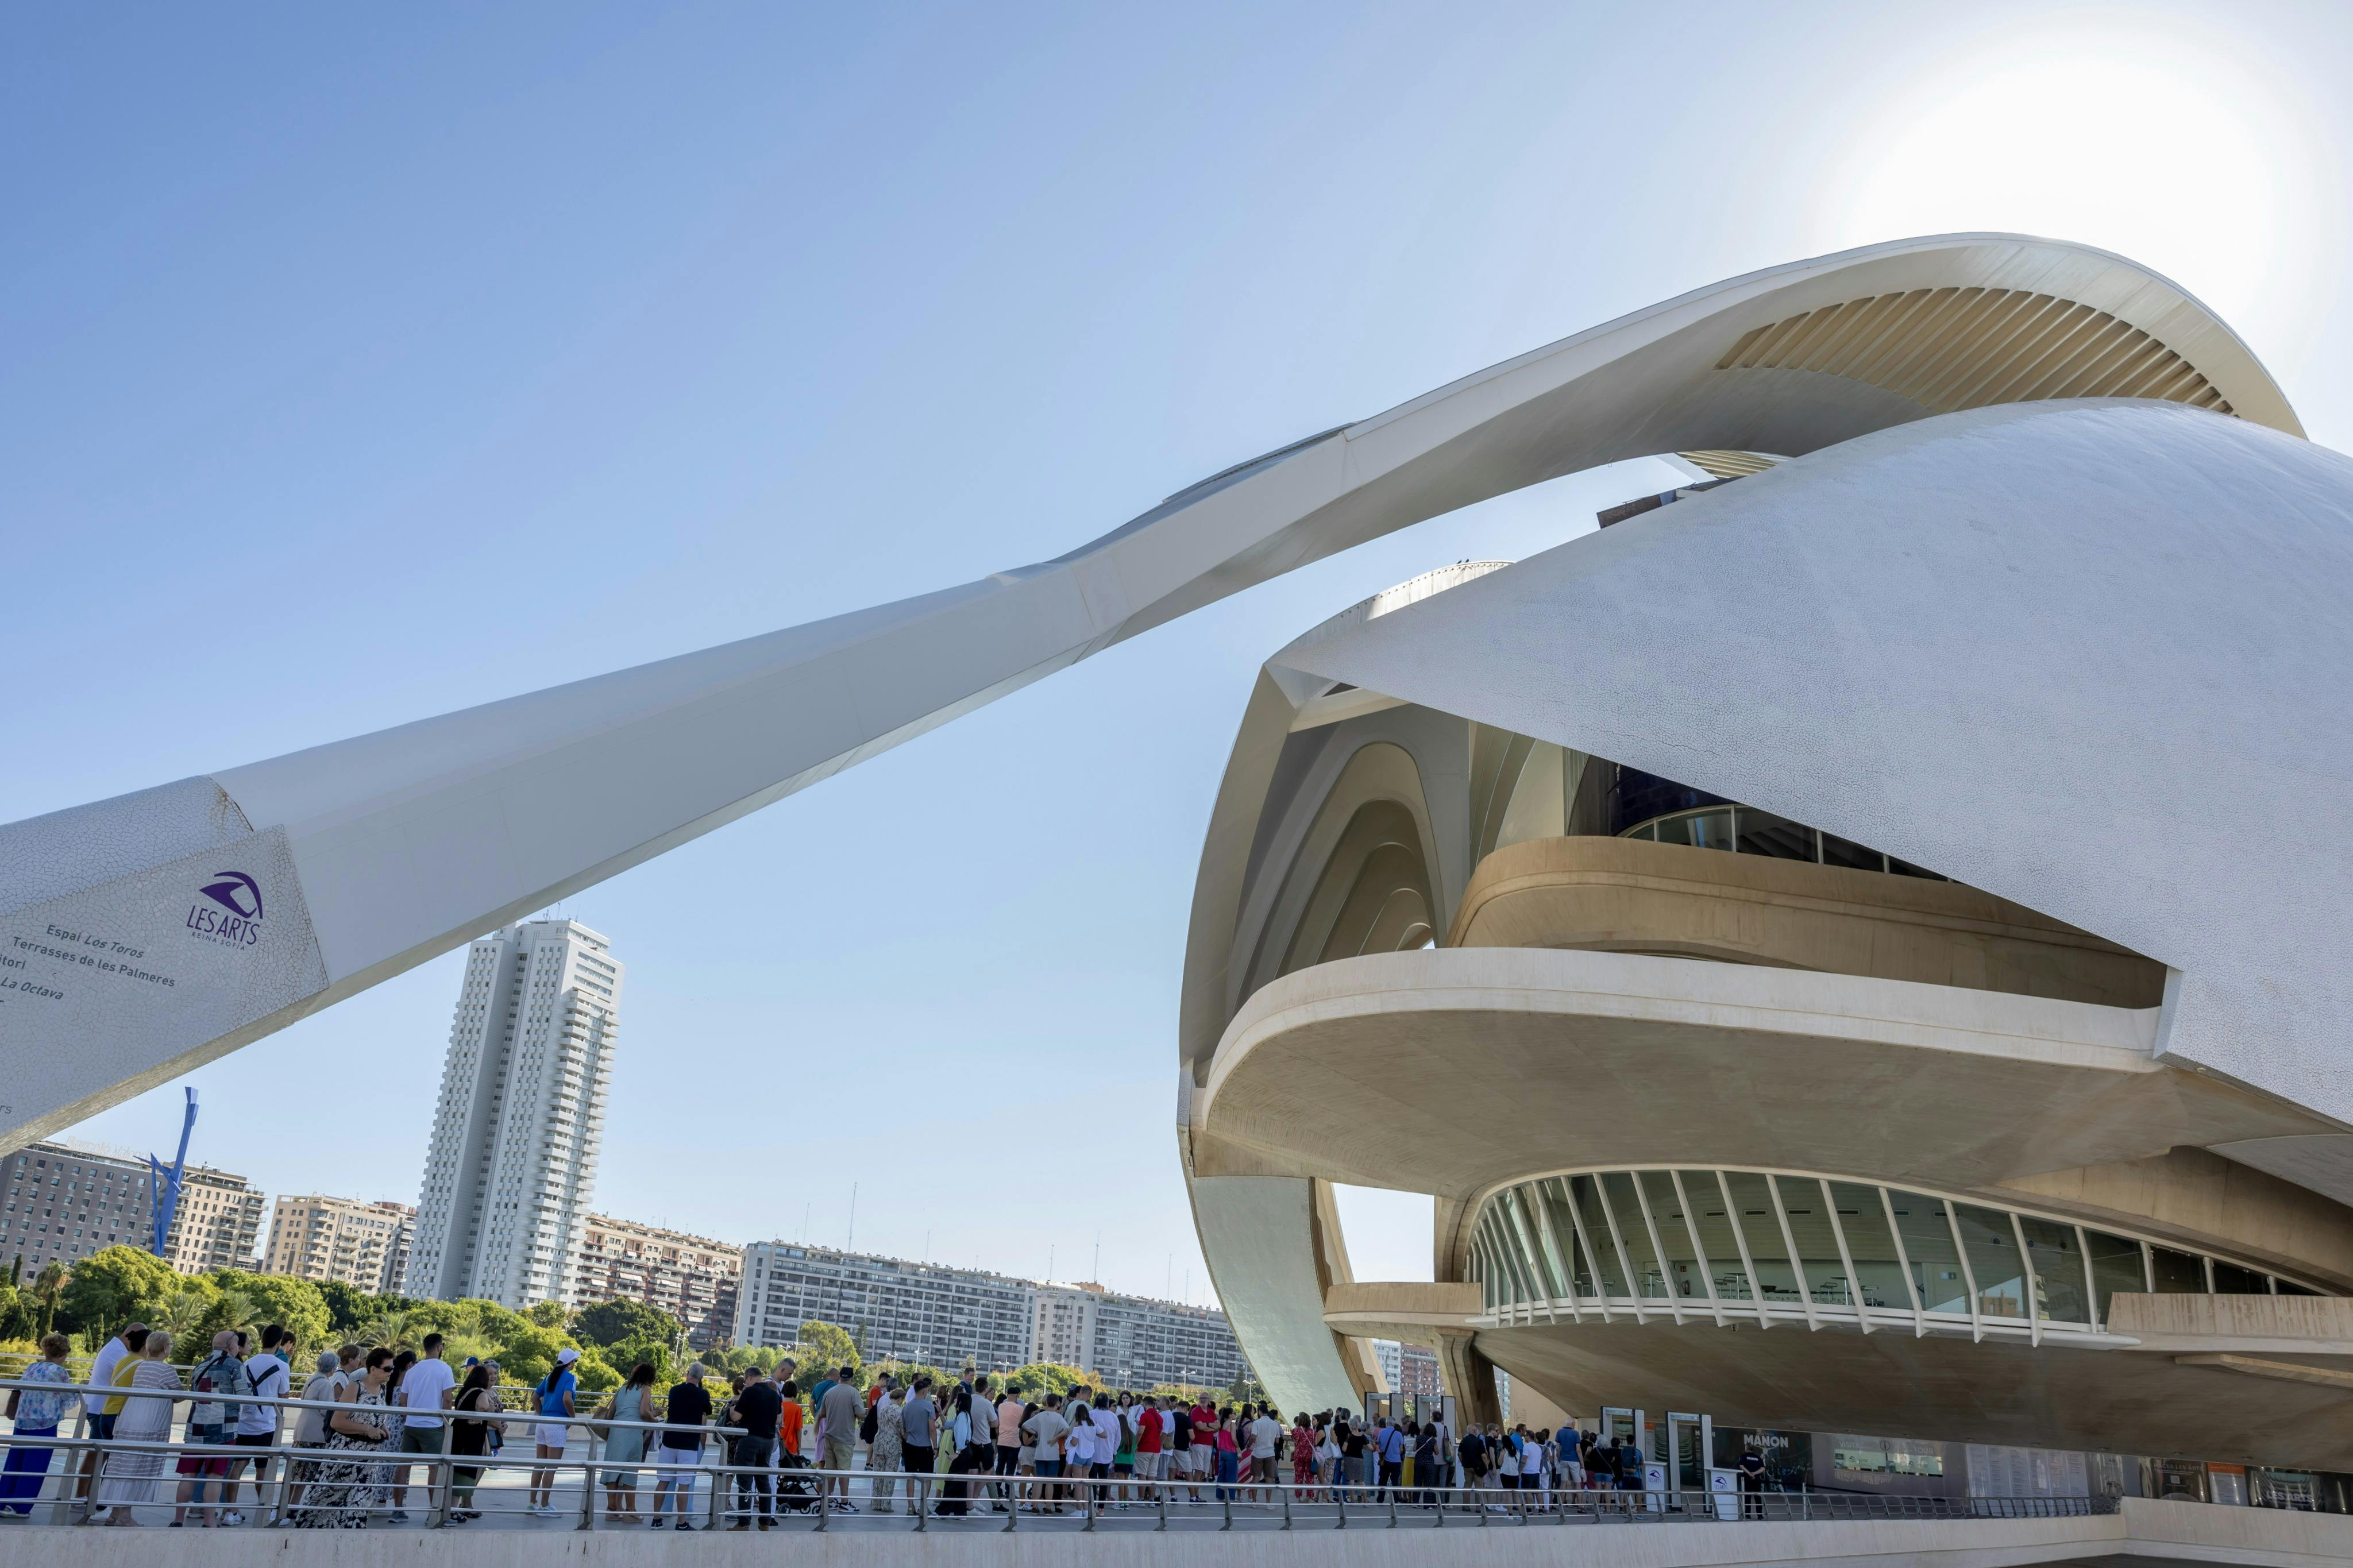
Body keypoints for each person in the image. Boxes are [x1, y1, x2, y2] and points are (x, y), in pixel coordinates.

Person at [288, 1348, 393, 1530]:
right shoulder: (355, 1387)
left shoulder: (382, 1390)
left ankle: (349, 1543)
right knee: (326, 1498)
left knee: (359, 1504)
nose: (391, 1372)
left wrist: (382, 1426)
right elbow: (337, 1421)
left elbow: (374, 1414)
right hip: (346, 1455)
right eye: (388, 1368)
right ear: (374, 1369)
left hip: (368, 1459)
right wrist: (367, 1429)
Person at [172, 1328, 249, 1527]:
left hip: (196, 1427)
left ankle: (178, 1520)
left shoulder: (201, 1365)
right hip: (223, 1428)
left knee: (188, 1474)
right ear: (233, 1346)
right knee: (215, 1476)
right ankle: (209, 1521)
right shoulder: (235, 1365)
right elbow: (245, 1396)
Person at [2, 1333, 76, 1516]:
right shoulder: (59, 1372)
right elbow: (71, 1401)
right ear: (64, 1352)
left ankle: (3, 1500)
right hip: (45, 1423)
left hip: (23, 1421)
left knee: (15, 1463)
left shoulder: (32, 1367)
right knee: (35, 1467)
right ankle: (20, 1507)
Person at [77, 1321, 147, 1508]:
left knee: (97, 1454)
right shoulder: (118, 1353)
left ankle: (83, 1496)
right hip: (103, 1409)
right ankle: (86, 1498)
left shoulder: (115, 1348)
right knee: (98, 1454)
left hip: (99, 1407)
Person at [651, 1362, 710, 1530]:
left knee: (663, 1481)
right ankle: (681, 1522)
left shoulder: (674, 1390)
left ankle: (656, 1519)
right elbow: (708, 1410)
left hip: (670, 1441)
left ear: (687, 1373)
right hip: (689, 1444)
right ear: (701, 1378)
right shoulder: (703, 1394)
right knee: (684, 1483)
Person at [598, 1361, 656, 1524]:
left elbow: (612, 1412)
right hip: (632, 1432)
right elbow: (644, 1412)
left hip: (616, 1431)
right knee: (630, 1472)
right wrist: (655, 1419)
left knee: (613, 1470)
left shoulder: (623, 1389)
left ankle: (612, 1510)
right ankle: (631, 1511)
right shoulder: (645, 1389)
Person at [446, 1363, 504, 1523]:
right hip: (472, 1439)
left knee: (459, 1472)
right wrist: (496, 1423)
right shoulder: (481, 1393)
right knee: (465, 1473)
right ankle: (453, 1509)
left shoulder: (465, 1390)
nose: (491, 1377)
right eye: (489, 1375)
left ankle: (454, 1508)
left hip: (459, 1436)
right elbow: (484, 1408)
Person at [728, 1365, 782, 1530]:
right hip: (768, 1443)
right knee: (763, 1481)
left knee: (745, 1480)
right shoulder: (775, 1394)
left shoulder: (749, 1392)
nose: (745, 1383)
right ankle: (765, 1522)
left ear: (750, 1377)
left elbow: (736, 1417)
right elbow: (779, 1420)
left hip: (749, 1440)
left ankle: (744, 1523)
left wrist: (731, 1410)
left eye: (745, 1380)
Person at [528, 1347, 580, 1518]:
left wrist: (542, 1414)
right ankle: (545, 1506)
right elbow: (567, 1398)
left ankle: (532, 1503)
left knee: (540, 1464)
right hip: (557, 1425)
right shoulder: (570, 1378)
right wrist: (572, 1417)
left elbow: (535, 1398)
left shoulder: (550, 1377)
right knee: (551, 1467)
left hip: (542, 1423)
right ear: (570, 1363)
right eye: (575, 1361)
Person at [816, 1366, 862, 1509]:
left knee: (830, 1469)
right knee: (844, 1471)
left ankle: (828, 1500)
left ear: (840, 1377)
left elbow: (822, 1412)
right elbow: (860, 1414)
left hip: (829, 1436)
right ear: (852, 1378)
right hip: (845, 1438)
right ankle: (844, 1502)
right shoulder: (854, 1393)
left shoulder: (830, 1392)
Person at [867, 1381, 906, 1512]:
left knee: (878, 1474)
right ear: (900, 1399)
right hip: (893, 1446)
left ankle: (875, 1503)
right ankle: (886, 1505)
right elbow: (903, 1431)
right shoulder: (900, 1412)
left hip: (879, 1442)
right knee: (889, 1475)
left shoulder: (883, 1408)